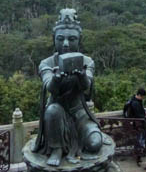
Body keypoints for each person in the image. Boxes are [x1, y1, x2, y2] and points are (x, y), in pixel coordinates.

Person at [31, 9, 106, 166]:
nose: (65, 44)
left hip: (79, 112)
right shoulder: (47, 63)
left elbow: (87, 86)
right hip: (56, 114)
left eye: (72, 39)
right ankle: (56, 149)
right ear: (54, 39)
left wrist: (82, 76)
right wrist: (57, 79)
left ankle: (85, 138)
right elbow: (49, 87)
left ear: (79, 40)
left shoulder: (87, 62)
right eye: (60, 39)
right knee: (52, 110)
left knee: (95, 143)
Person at [126, 88, 146, 166]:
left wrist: (145, 113)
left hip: (138, 125)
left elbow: (140, 111)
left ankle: (138, 156)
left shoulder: (135, 100)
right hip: (138, 125)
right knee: (140, 141)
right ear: (139, 95)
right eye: (143, 97)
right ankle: (138, 157)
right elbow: (138, 115)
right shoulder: (135, 103)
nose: (143, 98)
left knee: (139, 141)